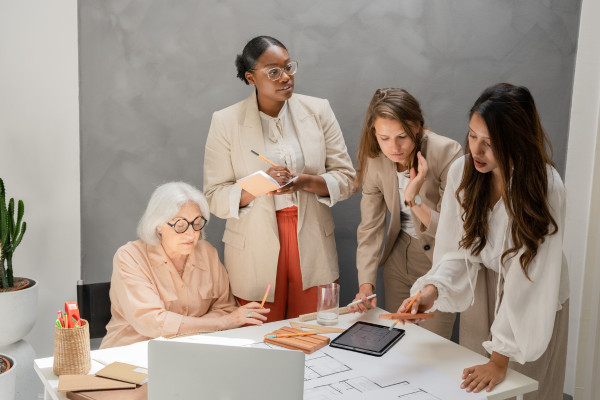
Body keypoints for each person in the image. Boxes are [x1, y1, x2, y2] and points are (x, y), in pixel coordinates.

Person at [398, 83, 569, 399]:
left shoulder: (544, 186)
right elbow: (455, 249)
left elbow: (530, 279)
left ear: (516, 142)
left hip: (534, 296)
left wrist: (500, 358)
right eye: (472, 135)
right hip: (481, 286)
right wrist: (432, 291)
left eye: (488, 143)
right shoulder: (463, 172)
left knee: (526, 386)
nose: (476, 150)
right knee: (474, 387)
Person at [203, 36, 355, 321]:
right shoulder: (225, 121)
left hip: (313, 242)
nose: (285, 77)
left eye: (288, 67)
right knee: (261, 341)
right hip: (253, 246)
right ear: (251, 78)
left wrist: (305, 182)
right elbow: (214, 197)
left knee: (314, 334)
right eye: (273, 71)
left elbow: (347, 179)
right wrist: (262, 183)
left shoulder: (318, 110)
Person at [348, 88, 462, 341]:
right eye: (384, 137)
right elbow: (370, 228)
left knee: (432, 345)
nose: (394, 147)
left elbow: (453, 230)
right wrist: (366, 287)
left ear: (418, 127)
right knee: (396, 340)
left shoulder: (447, 153)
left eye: (402, 136)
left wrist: (414, 198)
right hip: (399, 260)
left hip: (439, 263)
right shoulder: (375, 159)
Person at [100, 182, 269, 349]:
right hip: (133, 352)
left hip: (191, 351)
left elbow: (225, 307)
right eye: (180, 225)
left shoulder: (207, 252)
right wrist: (223, 322)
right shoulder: (130, 257)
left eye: (196, 223)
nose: (191, 234)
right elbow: (152, 322)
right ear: (158, 226)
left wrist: (197, 328)